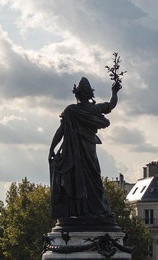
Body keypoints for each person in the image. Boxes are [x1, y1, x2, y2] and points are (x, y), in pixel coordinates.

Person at [49, 75, 121, 223]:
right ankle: (94, 209)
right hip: (89, 151)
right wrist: (114, 91)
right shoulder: (94, 109)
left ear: (77, 95)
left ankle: (81, 210)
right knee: (94, 180)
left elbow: (60, 131)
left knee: (77, 181)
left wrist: (52, 148)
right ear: (90, 95)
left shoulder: (71, 111)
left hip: (74, 155)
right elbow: (111, 104)